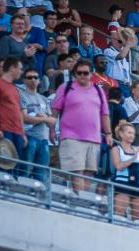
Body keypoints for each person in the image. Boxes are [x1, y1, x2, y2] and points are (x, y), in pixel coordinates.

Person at [51, 59, 111, 192]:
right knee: (76, 171)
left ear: (91, 74)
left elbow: (105, 113)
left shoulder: (98, 90)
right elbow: (55, 110)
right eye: (79, 73)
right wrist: (51, 130)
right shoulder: (65, 87)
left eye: (86, 73)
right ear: (74, 73)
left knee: (89, 172)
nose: (82, 76)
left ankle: (82, 200)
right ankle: (79, 200)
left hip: (94, 138)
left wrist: (108, 134)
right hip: (71, 136)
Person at [0, 57, 26, 160]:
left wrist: (23, 133)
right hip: (4, 129)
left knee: (16, 166)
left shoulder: (14, 87)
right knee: (3, 165)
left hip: (17, 131)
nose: (21, 72)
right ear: (12, 68)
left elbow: (18, 111)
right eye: (20, 69)